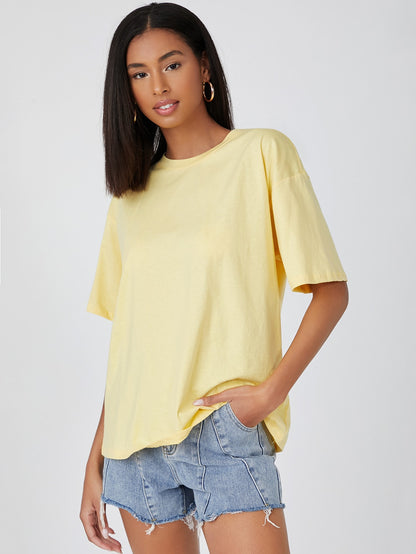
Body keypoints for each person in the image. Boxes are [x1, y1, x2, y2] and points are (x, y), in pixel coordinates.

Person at [79, 2, 349, 553]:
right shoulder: (130, 196)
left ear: (203, 67)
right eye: (139, 74)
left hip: (224, 431)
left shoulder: (262, 153)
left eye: (172, 64)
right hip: (134, 451)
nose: (158, 85)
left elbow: (330, 292)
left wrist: (267, 396)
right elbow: (133, 341)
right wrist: (95, 457)